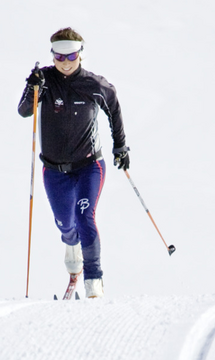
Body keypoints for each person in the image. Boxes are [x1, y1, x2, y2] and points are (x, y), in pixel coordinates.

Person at [17, 27, 130, 298]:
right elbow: (24, 111)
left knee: (84, 218)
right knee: (66, 225)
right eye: (59, 57)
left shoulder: (94, 85)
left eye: (71, 56)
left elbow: (113, 106)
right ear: (53, 55)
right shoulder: (44, 80)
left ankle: (94, 284)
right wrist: (33, 88)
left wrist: (120, 146)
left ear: (81, 55)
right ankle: (72, 254)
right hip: (54, 170)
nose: (65, 63)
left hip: (89, 166)